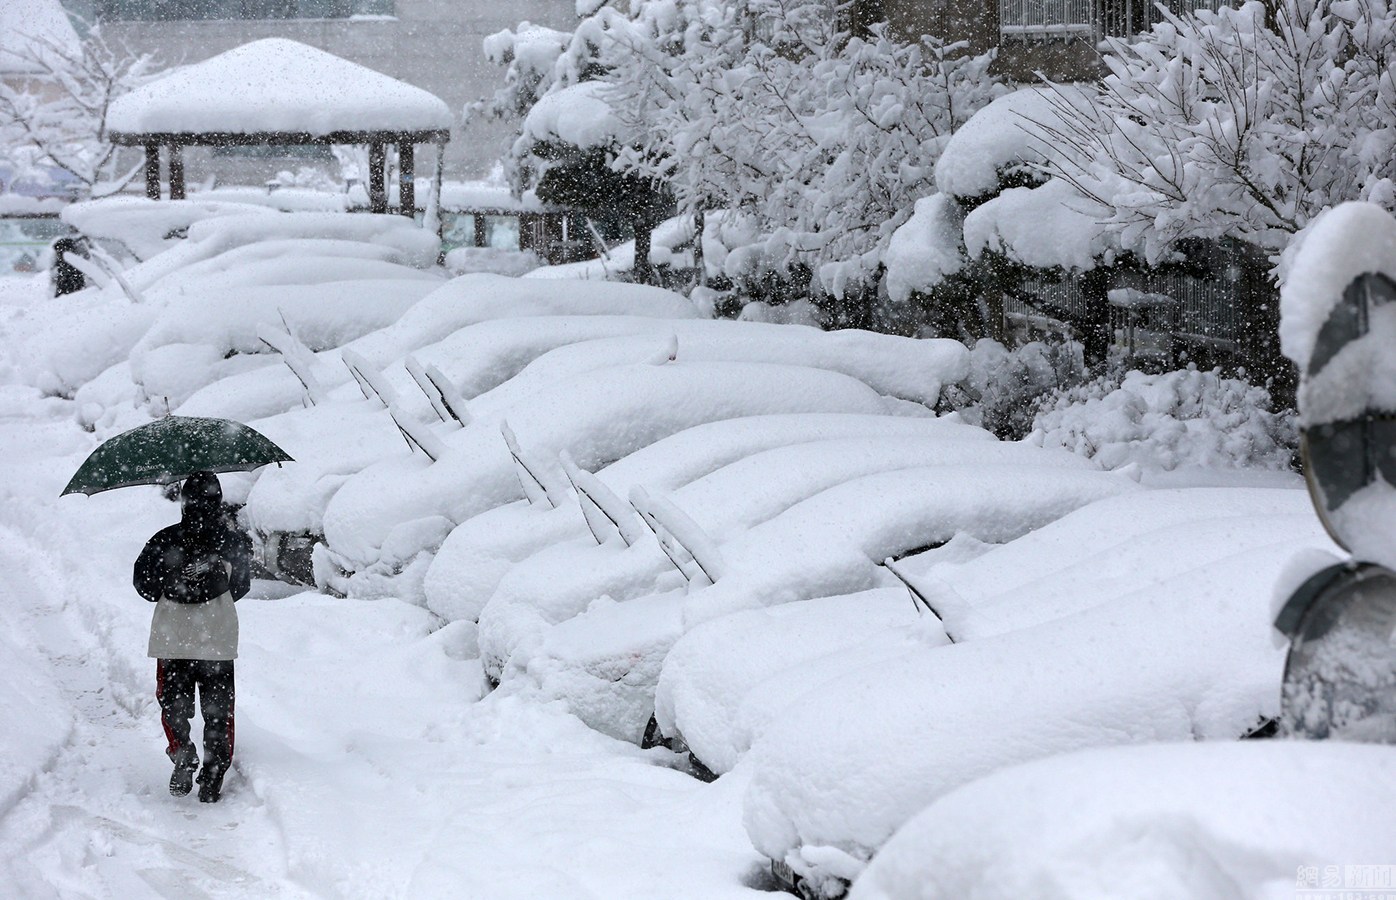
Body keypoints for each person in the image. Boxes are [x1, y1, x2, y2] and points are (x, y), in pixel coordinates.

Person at [133, 471, 252, 803]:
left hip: (173, 636)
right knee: (219, 711)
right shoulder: (232, 542)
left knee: (173, 702)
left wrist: (172, 583)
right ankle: (213, 777)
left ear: (184, 502)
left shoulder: (163, 539)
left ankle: (182, 749)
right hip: (217, 636)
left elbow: (143, 584)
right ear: (217, 501)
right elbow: (241, 586)